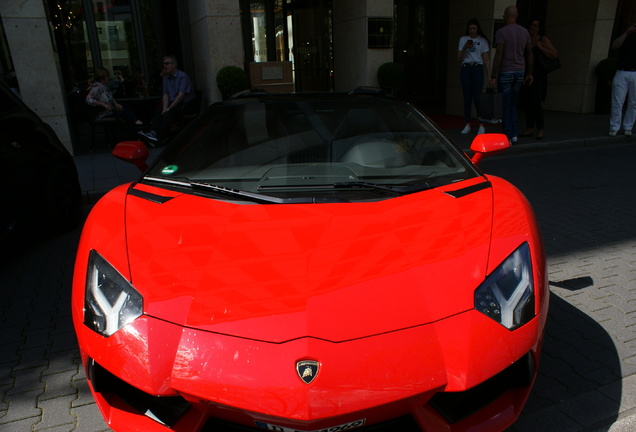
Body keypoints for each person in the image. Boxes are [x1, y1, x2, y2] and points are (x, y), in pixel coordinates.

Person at [489, 6, 533, 143]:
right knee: (513, 104)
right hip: (520, 71)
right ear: (517, 15)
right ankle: (514, 134)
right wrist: (529, 73)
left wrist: (493, 75)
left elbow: (499, 55)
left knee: (506, 105)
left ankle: (507, 135)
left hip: (506, 71)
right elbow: (529, 55)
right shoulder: (525, 32)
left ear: (504, 16)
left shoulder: (502, 32)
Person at [139, 55, 194, 145]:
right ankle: (153, 133)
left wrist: (168, 108)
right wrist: (165, 107)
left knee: (168, 113)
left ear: (174, 64)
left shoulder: (183, 76)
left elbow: (181, 96)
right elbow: (165, 95)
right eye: (163, 64)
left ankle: (159, 138)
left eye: (167, 63)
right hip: (172, 102)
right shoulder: (166, 78)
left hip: (184, 103)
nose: (164, 66)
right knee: (160, 111)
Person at [520, 19, 558, 140]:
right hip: (527, 73)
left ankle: (540, 129)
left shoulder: (542, 39)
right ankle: (529, 128)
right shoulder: (526, 39)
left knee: (535, 102)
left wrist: (540, 47)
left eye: (535, 25)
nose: (533, 27)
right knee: (527, 102)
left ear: (539, 27)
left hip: (539, 75)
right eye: (531, 25)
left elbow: (554, 54)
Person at [457, 18, 492, 135]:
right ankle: (467, 124)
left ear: (477, 28)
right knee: (467, 97)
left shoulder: (482, 41)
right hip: (466, 68)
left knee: (477, 97)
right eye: (470, 28)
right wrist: (465, 48)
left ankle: (481, 125)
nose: (472, 31)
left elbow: (486, 59)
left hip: (477, 68)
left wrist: (489, 75)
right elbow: (458, 58)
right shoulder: (463, 39)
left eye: (474, 28)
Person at [609, 23, 636, 137]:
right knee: (617, 102)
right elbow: (615, 45)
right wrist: (626, 33)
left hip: (635, 72)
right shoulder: (625, 36)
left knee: (633, 102)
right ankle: (614, 127)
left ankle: (628, 127)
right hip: (622, 71)